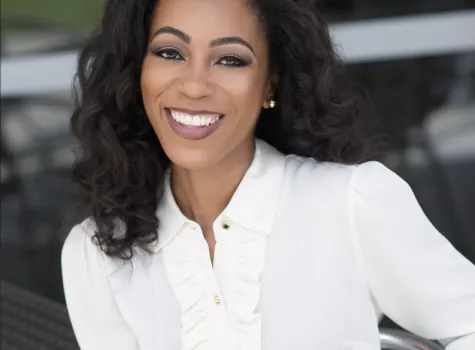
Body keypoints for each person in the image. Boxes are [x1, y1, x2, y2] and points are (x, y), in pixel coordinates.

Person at [61, 0, 475, 349]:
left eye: (230, 59)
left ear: (269, 85)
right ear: (138, 72)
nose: (194, 85)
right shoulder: (97, 252)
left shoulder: (351, 202)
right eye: (170, 53)